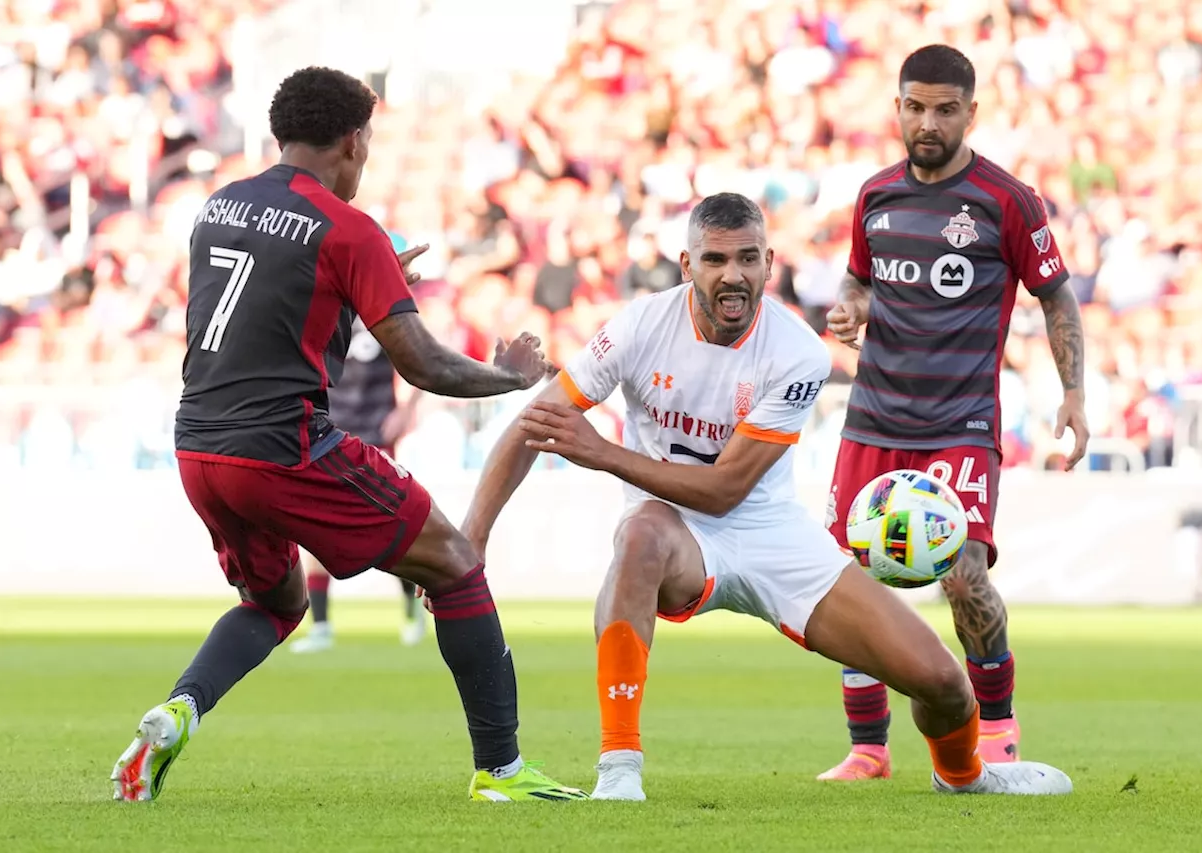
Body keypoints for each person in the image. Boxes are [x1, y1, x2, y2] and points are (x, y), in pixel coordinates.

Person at [461, 191, 1073, 801]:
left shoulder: (796, 350)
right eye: (716, 260)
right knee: (640, 533)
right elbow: (535, 424)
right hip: (675, 532)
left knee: (942, 683)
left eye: (748, 259)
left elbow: (726, 490)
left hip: (769, 533)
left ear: (769, 263)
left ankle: (965, 775)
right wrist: (473, 541)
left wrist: (600, 452)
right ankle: (619, 772)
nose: (733, 275)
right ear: (686, 265)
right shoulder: (638, 327)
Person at [110, 66, 585, 804]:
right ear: (355, 140)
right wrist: (511, 378)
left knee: (275, 603)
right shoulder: (348, 228)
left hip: (199, 447)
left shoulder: (218, 206)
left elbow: (267, 309)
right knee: (456, 562)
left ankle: (179, 709)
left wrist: (362, 283)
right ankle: (503, 772)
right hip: (283, 447)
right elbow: (422, 363)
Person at [817, 45, 1089, 782]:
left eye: (944, 109)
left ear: (972, 111)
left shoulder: (1007, 200)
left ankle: (996, 728)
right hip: (872, 422)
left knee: (964, 577)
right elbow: (862, 282)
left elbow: (1056, 294)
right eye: (915, 106)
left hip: (959, 426)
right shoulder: (875, 196)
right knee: (850, 582)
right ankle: (869, 747)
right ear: (897, 107)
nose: (927, 121)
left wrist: (1072, 393)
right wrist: (851, 308)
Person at [290, 315, 426, 654]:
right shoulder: (321, 305)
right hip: (327, 430)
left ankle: (411, 606)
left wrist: (407, 409)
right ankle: (321, 625)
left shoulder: (382, 308)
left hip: (376, 431)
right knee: (313, 527)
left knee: (391, 527)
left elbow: (423, 357)